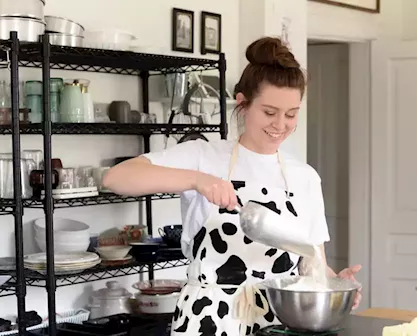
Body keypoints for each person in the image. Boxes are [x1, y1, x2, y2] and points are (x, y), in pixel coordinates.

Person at [102, 36, 362, 336]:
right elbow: (116, 179)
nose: (281, 124)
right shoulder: (203, 157)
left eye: (291, 114)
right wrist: (196, 180)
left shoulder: (304, 178)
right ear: (242, 104)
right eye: (269, 112)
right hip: (208, 319)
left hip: (276, 322)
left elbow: (310, 265)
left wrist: (337, 285)